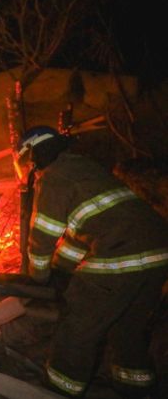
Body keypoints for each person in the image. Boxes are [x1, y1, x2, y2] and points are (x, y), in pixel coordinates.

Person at [18, 125, 168, 398]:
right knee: (127, 330)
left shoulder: (54, 177)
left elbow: (43, 235)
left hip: (120, 255)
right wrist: (61, 270)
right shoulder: (86, 168)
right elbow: (81, 235)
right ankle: (136, 390)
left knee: (77, 330)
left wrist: (38, 277)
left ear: (31, 154)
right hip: (158, 254)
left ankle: (59, 391)